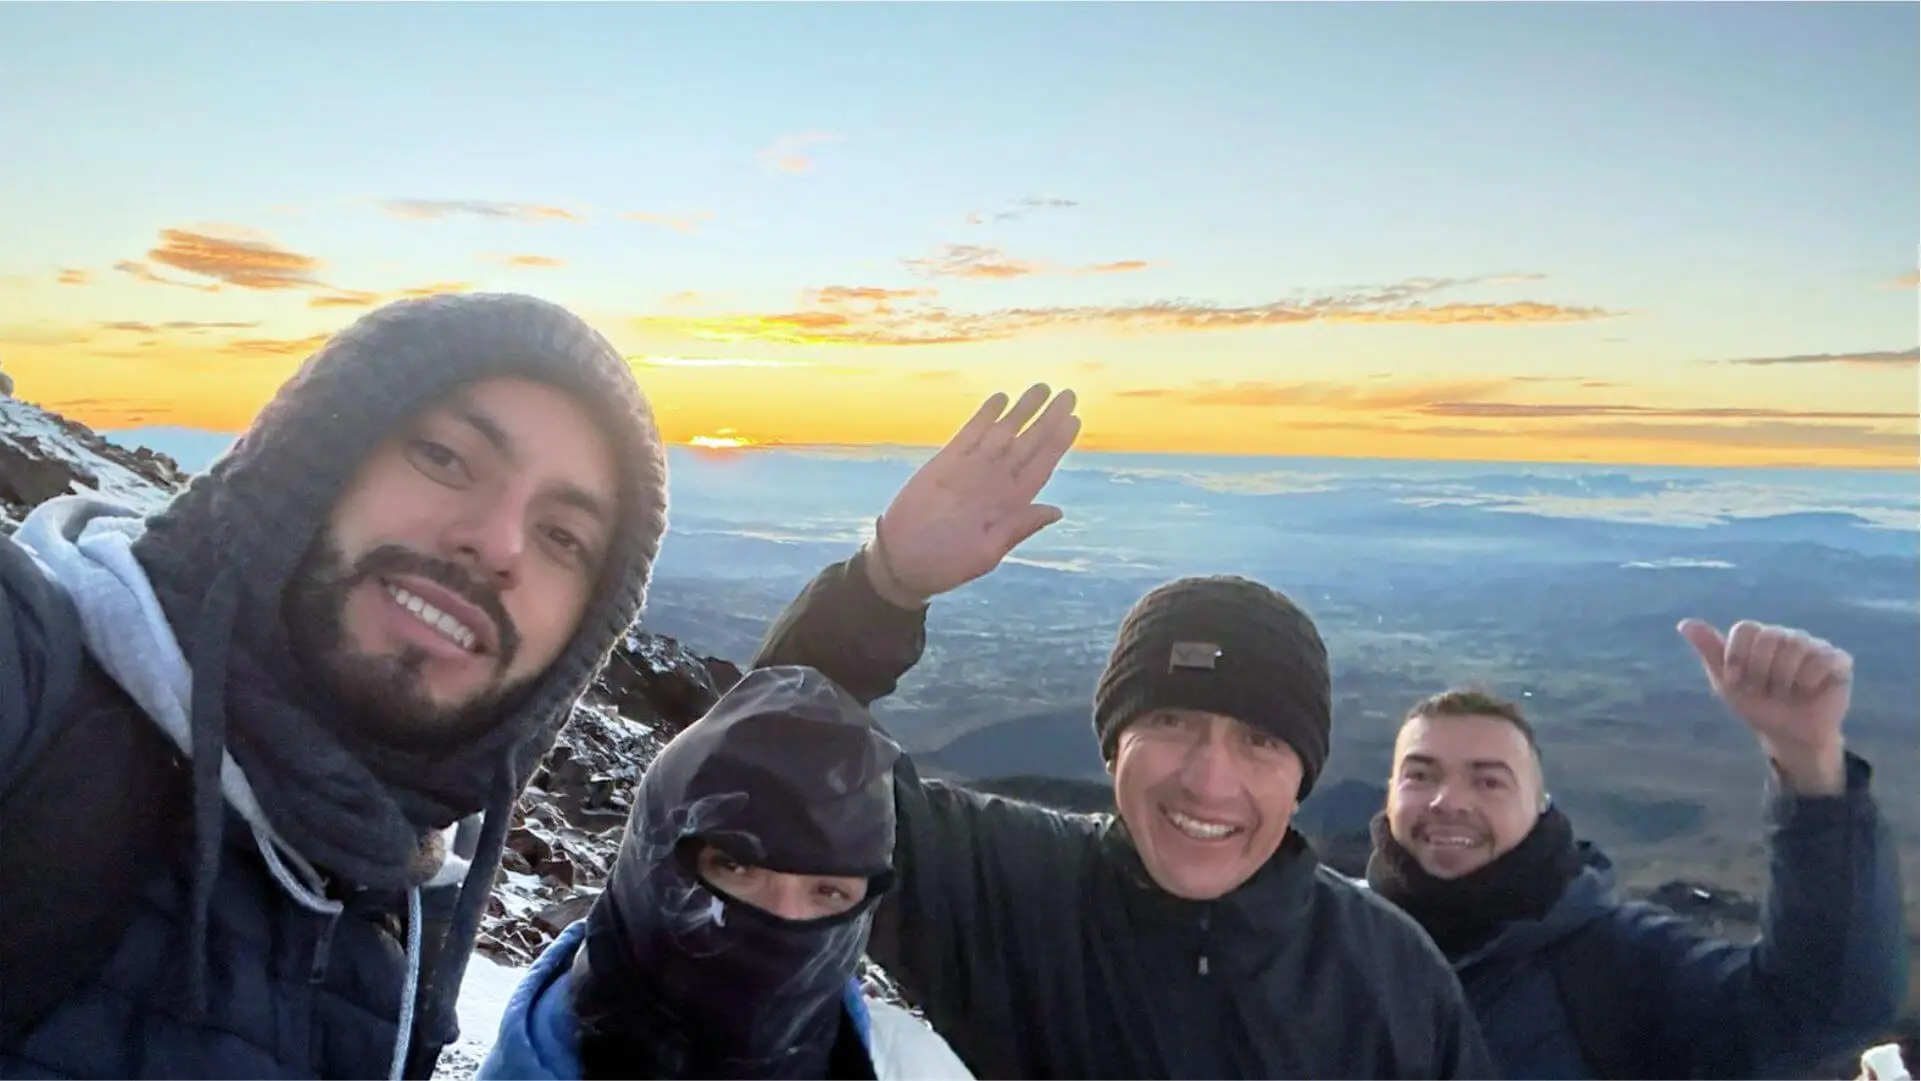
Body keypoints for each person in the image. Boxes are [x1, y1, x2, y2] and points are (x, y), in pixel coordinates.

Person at [0, 293, 669, 1079]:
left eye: (564, 536)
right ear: (308, 461)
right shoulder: (34, 674)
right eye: (445, 457)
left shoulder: (390, 907)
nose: (497, 542)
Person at [749, 384, 1497, 1079]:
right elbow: (770, 778)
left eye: (1260, 740)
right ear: (1113, 744)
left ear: (1303, 774)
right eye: (1171, 721)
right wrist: (884, 585)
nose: (1209, 778)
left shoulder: (1388, 974)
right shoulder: (995, 882)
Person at [1365, 618, 1906, 1079]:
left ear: (1540, 809)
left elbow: (1823, 1011)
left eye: (1489, 781)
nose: (1447, 801)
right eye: (1420, 774)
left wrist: (1808, 761)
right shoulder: (1323, 936)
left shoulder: (1617, 967)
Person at [477, 664, 973, 1081]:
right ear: (649, 861)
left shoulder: (912, 1066)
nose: (782, 922)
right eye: (737, 867)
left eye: (829, 891)